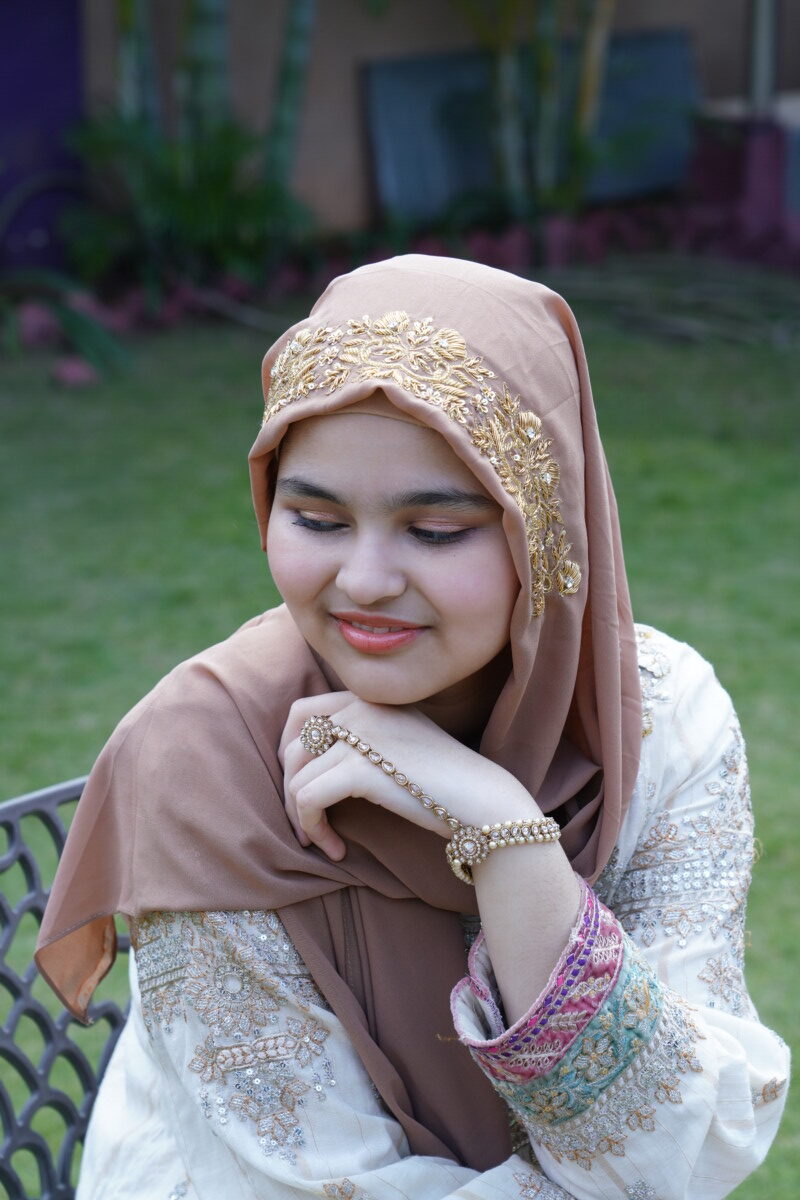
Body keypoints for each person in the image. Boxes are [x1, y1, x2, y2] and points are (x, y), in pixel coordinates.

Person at [36, 256, 788, 1199]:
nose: (363, 582)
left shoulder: (660, 714)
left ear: (545, 533)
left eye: (435, 532)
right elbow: (314, 1183)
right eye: (315, 519)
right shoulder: (202, 763)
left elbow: (694, 1141)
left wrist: (503, 834)